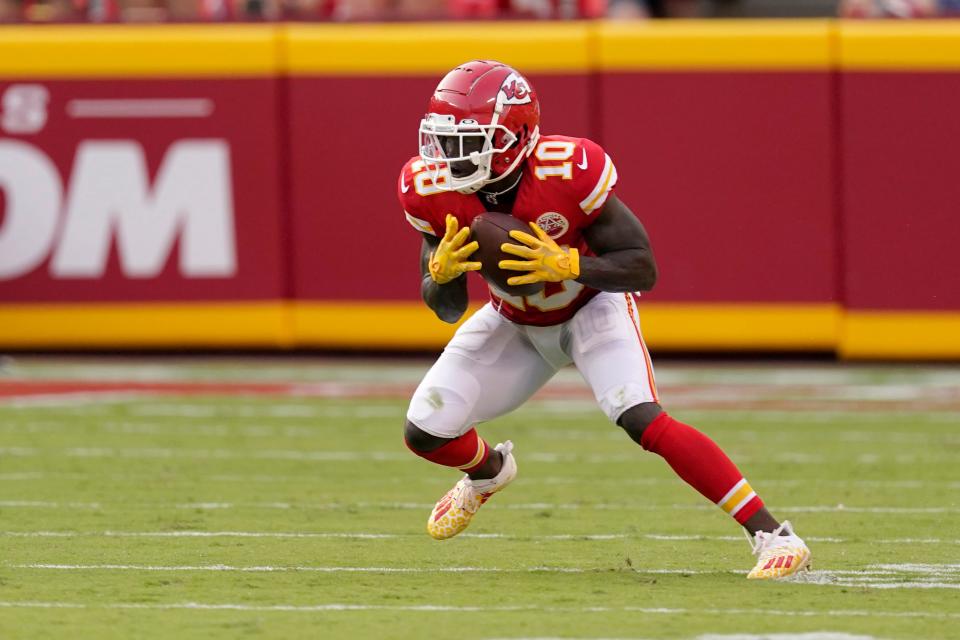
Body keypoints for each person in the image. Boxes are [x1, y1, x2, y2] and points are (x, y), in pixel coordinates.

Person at [397, 60, 811, 580]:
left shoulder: (567, 170)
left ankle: (775, 535)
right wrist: (441, 274)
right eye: (445, 141)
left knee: (640, 417)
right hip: (514, 321)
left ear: (513, 135)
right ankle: (487, 473)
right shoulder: (428, 188)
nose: (450, 157)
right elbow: (447, 308)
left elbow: (643, 266)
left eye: (468, 141)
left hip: (590, 307)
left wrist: (570, 263)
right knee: (425, 431)